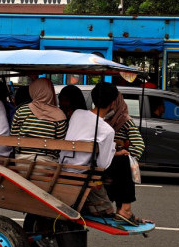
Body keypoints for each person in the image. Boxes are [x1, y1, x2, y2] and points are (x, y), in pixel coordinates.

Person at [59, 82, 119, 217]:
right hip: (80, 173)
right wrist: (114, 150)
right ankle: (115, 207)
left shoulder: (77, 114)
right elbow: (103, 164)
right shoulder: (108, 130)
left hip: (62, 167)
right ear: (113, 103)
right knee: (120, 163)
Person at [103, 92, 147, 226]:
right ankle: (122, 210)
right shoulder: (102, 119)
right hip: (105, 161)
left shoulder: (125, 121)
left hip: (114, 161)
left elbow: (139, 144)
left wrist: (128, 155)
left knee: (123, 165)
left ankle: (121, 210)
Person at [10, 77, 67, 162]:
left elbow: (13, 136)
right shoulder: (59, 115)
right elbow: (60, 143)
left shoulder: (21, 111)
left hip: (21, 161)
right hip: (47, 163)